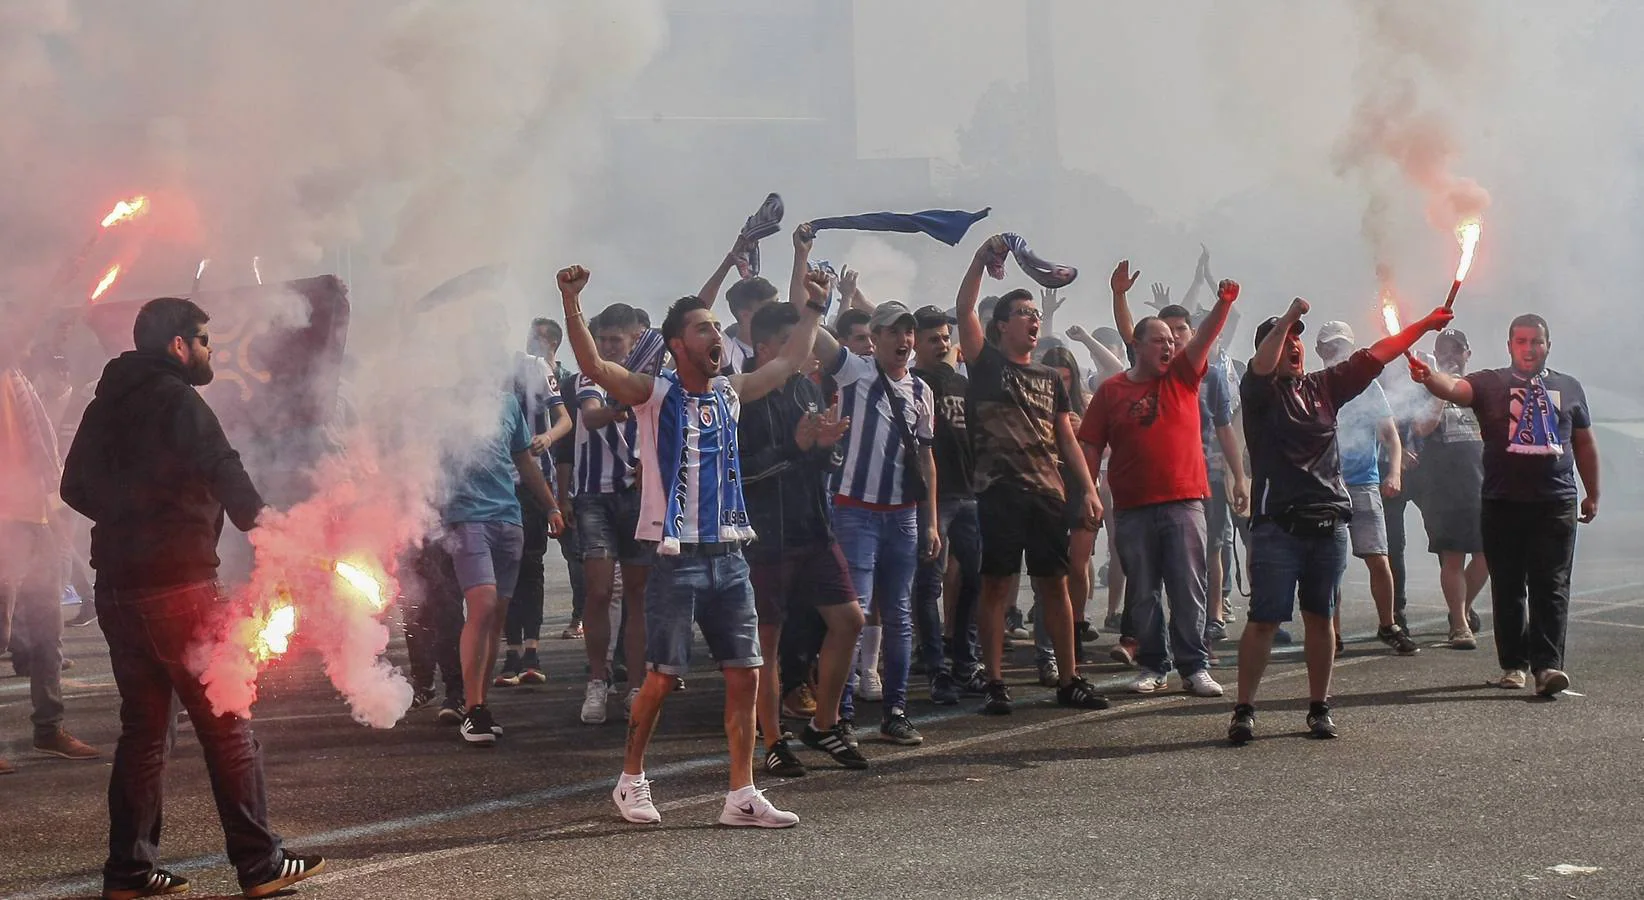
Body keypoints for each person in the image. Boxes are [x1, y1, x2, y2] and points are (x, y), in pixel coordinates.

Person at [59, 297, 323, 899]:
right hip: (179, 588)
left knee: (144, 732)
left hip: (119, 590)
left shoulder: (107, 403)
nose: (211, 350)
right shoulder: (179, 399)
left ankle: (127, 873)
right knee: (228, 724)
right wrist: (269, 530)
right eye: (204, 339)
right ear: (178, 344)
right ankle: (259, 864)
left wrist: (129, 519)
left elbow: (73, 484)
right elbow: (223, 466)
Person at [559, 256, 823, 829]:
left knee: (745, 673)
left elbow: (793, 361)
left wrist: (816, 307)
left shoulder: (731, 392)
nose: (717, 337)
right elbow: (595, 366)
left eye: (715, 328)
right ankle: (630, 780)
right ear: (678, 345)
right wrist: (572, 301)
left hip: (729, 557)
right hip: (675, 561)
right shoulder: (653, 395)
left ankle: (742, 794)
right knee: (661, 677)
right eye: (703, 328)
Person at [1227, 298, 1450, 745]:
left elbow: (1376, 354)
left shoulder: (1324, 387)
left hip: (1327, 522)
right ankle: (1244, 709)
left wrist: (1423, 325)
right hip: (1277, 526)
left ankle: (1319, 707)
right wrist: (1287, 317)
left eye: (1298, 340)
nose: (1295, 345)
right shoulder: (1259, 393)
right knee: (1264, 620)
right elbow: (1262, 363)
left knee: (1320, 616)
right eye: (1285, 339)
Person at [955, 235, 1110, 715]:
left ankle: (1070, 678)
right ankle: (996, 681)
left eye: (1034, 314)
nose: (1033, 318)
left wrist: (1087, 489)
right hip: (999, 491)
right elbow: (964, 311)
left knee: (1054, 585)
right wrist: (982, 259)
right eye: (1023, 313)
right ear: (1001, 326)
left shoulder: (1047, 377)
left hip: (1047, 493)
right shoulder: (986, 365)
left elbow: (1066, 438)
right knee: (998, 584)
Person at [1410, 315, 1599, 696]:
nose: (1529, 349)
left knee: (1551, 586)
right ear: (1510, 345)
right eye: (1522, 341)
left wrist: (1592, 492)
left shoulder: (1569, 387)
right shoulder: (1490, 382)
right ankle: (1514, 665)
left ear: (1548, 345)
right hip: (1503, 501)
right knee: (1509, 586)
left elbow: (1584, 443)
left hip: (1555, 501)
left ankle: (1547, 667)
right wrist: (1430, 377)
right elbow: (1455, 389)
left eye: (1537, 342)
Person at [806, 237, 942, 747]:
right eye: (895, 331)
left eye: (910, 331)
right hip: (855, 512)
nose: (906, 339)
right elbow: (817, 340)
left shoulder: (922, 390)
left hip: (902, 516)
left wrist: (930, 520)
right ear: (876, 337)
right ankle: (837, 714)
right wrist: (817, 294)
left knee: (899, 614)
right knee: (854, 614)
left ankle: (896, 711)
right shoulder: (855, 370)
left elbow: (926, 457)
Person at [1080, 268, 1239, 698]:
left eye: (1173, 341)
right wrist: (1089, 489)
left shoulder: (1184, 378)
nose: (1170, 346)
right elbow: (1090, 445)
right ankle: (1153, 664)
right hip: (1132, 507)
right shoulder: (1111, 392)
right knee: (1144, 592)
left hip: (1185, 501)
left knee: (1189, 587)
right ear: (1137, 346)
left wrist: (1222, 304)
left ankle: (1195, 666)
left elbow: (1203, 338)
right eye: (1160, 341)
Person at [737, 300, 868, 776]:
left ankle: (824, 724)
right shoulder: (739, 395)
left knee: (849, 620)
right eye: (797, 343)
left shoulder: (804, 390)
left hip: (813, 527)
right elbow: (740, 475)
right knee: (766, 642)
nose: (806, 352)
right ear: (766, 347)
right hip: (765, 536)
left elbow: (815, 461)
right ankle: (773, 740)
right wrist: (797, 446)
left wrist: (826, 449)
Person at [438, 365, 563, 745]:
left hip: (509, 518)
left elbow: (525, 461)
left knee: (497, 615)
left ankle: (480, 706)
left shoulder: (507, 404)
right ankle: (472, 707)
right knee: (483, 604)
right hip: (466, 518)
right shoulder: (441, 405)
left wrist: (552, 507)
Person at [1313, 322, 1421, 656]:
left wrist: (1394, 474)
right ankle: (1334, 633)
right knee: (1332, 564)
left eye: (1341, 347)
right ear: (1320, 352)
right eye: (1330, 348)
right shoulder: (1315, 386)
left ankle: (1388, 624)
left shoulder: (1368, 387)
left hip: (1364, 483)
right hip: (1327, 486)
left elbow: (1391, 436)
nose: (1337, 354)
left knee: (1378, 558)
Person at [571, 304, 651, 724]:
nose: (606, 346)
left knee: (638, 595)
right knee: (599, 591)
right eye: (601, 339)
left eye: (614, 340)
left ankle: (635, 684)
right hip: (594, 497)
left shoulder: (649, 381)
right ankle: (598, 681)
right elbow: (590, 415)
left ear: (633, 340)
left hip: (636, 496)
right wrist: (620, 407)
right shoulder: (590, 377)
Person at [912, 305, 989, 701]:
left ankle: (966, 662)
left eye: (945, 337)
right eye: (933, 339)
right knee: (929, 584)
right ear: (916, 343)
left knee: (974, 579)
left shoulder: (959, 383)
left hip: (968, 495)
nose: (942, 344)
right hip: (933, 500)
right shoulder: (910, 383)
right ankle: (936, 669)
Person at [495, 326, 572, 686]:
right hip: (494, 483)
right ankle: (509, 652)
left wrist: (547, 437)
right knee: (503, 568)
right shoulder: (475, 372)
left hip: (531, 480)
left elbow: (565, 419)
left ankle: (531, 651)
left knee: (530, 564)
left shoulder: (535, 367)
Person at [1409, 329, 1488, 648]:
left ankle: (1462, 609)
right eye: (1443, 351)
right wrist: (1442, 389)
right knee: (1452, 556)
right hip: (1444, 486)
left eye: (1457, 350)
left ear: (1468, 353)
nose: (1451, 356)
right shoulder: (1426, 389)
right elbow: (1421, 427)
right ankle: (1459, 625)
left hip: (1482, 483)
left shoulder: (1481, 388)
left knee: (1489, 554)